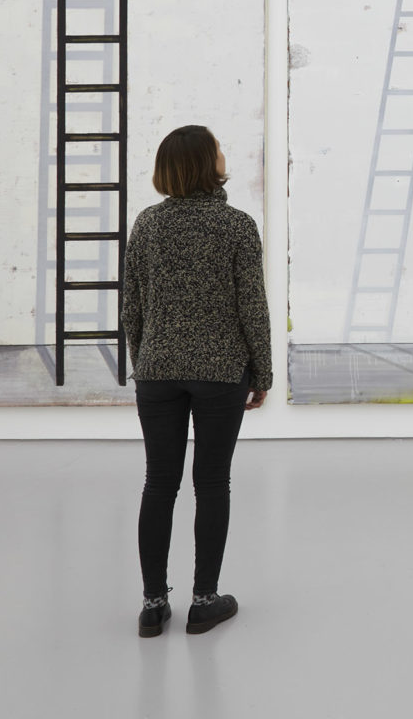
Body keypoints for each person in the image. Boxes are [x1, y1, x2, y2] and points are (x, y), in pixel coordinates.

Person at [121, 125, 271, 638]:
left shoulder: (148, 224)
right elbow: (252, 307)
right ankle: (204, 601)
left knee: (159, 483)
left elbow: (132, 307)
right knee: (211, 483)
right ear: (207, 163)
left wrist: (146, 360)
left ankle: (152, 605)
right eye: (219, 148)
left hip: (157, 372)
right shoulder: (237, 225)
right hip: (221, 372)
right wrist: (262, 372)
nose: (225, 153)